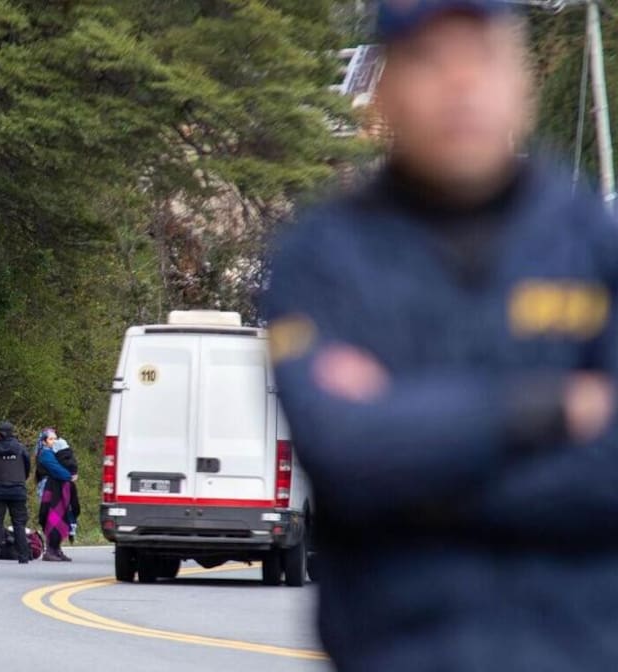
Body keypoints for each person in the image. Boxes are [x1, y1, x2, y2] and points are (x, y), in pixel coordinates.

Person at [263, 3, 618, 670]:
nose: (460, 84)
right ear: (385, 89)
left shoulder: (594, 247)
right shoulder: (320, 261)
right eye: (429, 60)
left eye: (481, 55)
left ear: (522, 80)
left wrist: (412, 455)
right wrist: (548, 409)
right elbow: (344, 453)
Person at [0, 421, 31, 564]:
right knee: (19, 524)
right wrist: (20, 481)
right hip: (17, 489)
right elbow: (27, 468)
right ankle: (23, 556)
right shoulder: (21, 448)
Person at [37, 437, 80, 562]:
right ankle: (53, 549)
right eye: (51, 439)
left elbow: (57, 470)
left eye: (54, 439)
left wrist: (69, 476)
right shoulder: (53, 454)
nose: (52, 442)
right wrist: (70, 476)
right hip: (61, 490)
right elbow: (59, 470)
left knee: (55, 518)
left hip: (56, 490)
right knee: (59, 518)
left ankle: (54, 549)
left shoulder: (54, 455)